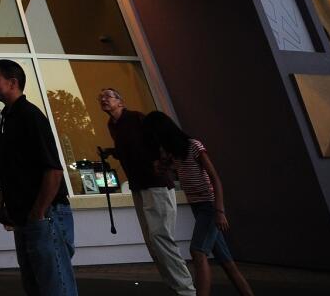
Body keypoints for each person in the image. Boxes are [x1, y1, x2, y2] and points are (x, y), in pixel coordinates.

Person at [0, 59, 77, 296]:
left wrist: (38, 212)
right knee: (36, 286)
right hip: (26, 218)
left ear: (13, 82)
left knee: (55, 287)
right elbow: (14, 169)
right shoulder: (9, 118)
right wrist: (4, 203)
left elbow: (54, 170)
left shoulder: (30, 116)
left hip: (45, 217)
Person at [142, 112, 255, 296]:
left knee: (197, 251)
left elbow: (215, 178)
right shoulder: (174, 155)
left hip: (209, 207)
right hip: (197, 207)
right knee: (226, 261)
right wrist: (162, 166)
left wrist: (219, 210)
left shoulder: (193, 146)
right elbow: (173, 174)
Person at [99, 88, 195, 296]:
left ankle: (186, 290)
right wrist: (113, 152)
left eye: (108, 96)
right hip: (138, 186)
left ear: (120, 101)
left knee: (161, 237)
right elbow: (134, 149)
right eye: (101, 98)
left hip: (156, 184)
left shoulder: (136, 118)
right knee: (153, 242)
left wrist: (162, 163)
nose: (103, 99)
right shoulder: (112, 125)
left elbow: (158, 142)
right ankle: (175, 287)